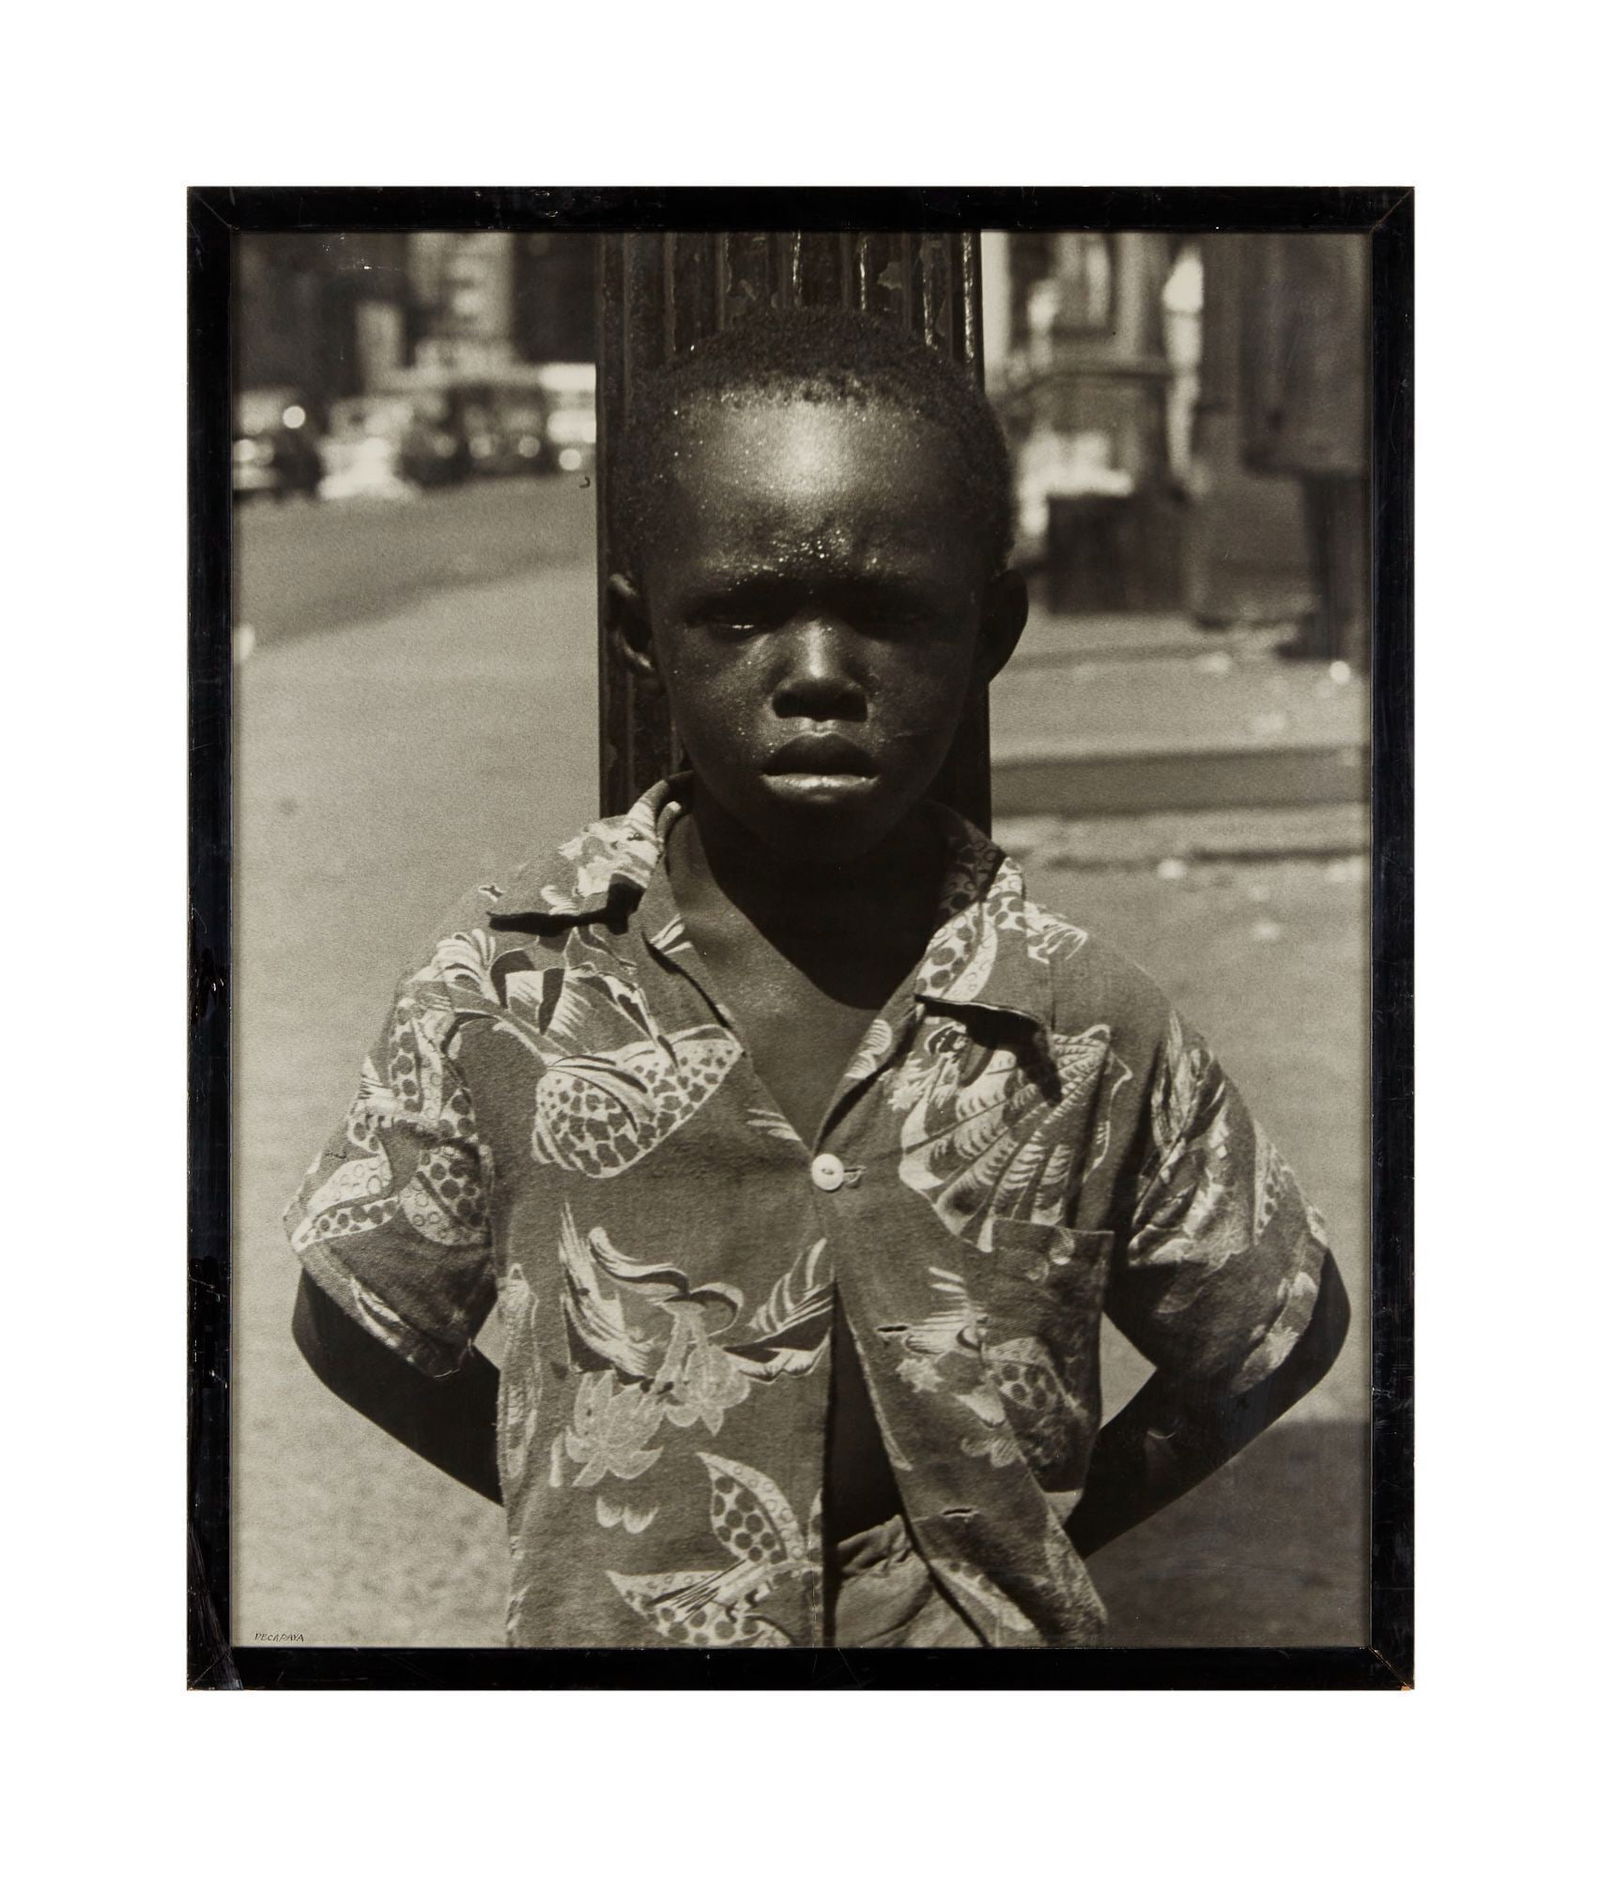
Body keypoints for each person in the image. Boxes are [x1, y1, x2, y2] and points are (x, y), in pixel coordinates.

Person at [287, 307, 1348, 1649]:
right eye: (741, 614)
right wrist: (578, 1516)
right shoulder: (509, 985)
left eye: (888, 615)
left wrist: (1036, 1538)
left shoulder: (1078, 1021)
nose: (818, 677)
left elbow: (1275, 1326)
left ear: (990, 631)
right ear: (641, 637)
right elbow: (357, 1316)